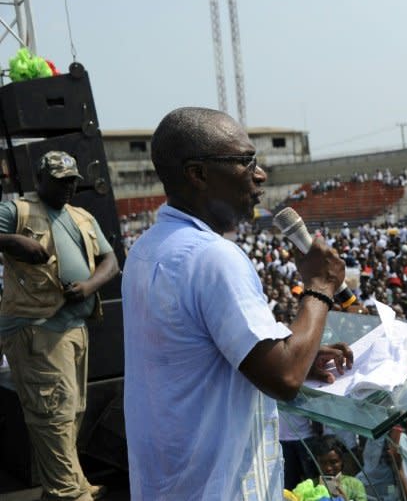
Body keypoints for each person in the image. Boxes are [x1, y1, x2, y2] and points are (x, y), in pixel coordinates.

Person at [122, 108, 352, 500]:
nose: (260, 174)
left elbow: (199, 350)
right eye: (246, 162)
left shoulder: (148, 246)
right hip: (218, 486)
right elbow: (284, 378)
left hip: (172, 480)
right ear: (198, 174)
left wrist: (298, 349)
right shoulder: (213, 256)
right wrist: (319, 286)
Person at [0, 150, 119, 501]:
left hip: (73, 325)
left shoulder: (81, 216)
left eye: (72, 181)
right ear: (40, 180)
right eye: (60, 181)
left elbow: (109, 260)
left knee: (72, 411)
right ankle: (68, 493)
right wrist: (12, 241)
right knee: (53, 414)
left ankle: (68, 485)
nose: (68, 187)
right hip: (37, 327)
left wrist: (89, 286)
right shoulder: (17, 211)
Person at [307, 435, 367, 501]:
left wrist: (343, 498)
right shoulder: (310, 486)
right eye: (323, 463)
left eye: (333, 462)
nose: (328, 468)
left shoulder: (355, 485)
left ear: (342, 460)